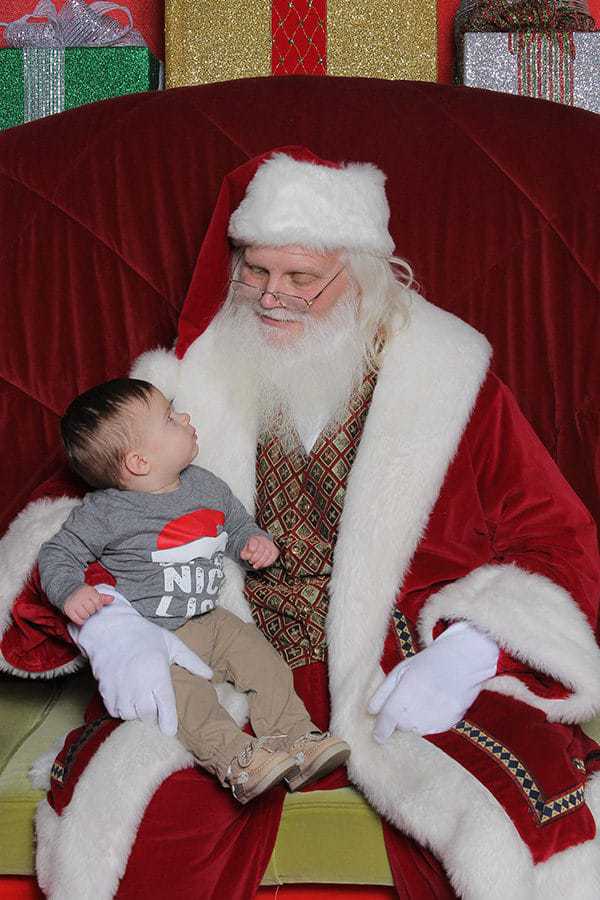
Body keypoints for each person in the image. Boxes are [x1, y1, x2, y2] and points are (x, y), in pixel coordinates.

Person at [19, 147, 600, 898]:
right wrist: (114, 627)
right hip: (221, 651)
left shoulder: (451, 380)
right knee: (142, 825)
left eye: (300, 279)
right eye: (255, 271)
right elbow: (71, 517)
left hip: (394, 658)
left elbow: (556, 536)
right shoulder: (179, 385)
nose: (270, 297)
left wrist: (472, 653)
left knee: (503, 819)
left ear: (361, 276)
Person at [38, 377, 351, 804]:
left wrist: (252, 542)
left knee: (266, 664)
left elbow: (237, 523)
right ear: (139, 461)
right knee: (187, 700)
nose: (184, 418)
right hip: (161, 635)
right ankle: (238, 760)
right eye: (169, 419)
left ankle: (296, 738)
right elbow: (57, 554)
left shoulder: (205, 485)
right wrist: (70, 590)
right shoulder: (106, 512)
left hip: (211, 619)